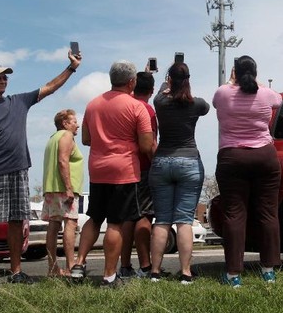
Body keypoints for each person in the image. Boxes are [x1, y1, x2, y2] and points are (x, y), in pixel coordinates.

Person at [0, 50, 82, 289]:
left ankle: (16, 272)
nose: (3, 80)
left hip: (19, 172)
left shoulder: (18, 101)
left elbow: (49, 87)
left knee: (17, 221)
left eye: (5, 77)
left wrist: (72, 68)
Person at [69, 60, 154, 288]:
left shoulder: (93, 104)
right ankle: (109, 276)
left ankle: (78, 263)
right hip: (124, 170)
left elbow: (86, 139)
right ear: (131, 82)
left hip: (97, 168)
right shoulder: (136, 107)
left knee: (95, 217)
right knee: (115, 223)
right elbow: (147, 145)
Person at [213, 55, 282, 288]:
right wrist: (257, 82)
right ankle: (268, 271)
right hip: (265, 156)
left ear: (234, 72)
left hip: (232, 157)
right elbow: (279, 100)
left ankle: (233, 275)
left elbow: (217, 100)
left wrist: (234, 81)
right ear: (255, 72)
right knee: (268, 213)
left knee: (234, 214)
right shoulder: (265, 94)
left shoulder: (222, 93)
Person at [148, 62, 210, 285]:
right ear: (188, 81)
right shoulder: (195, 104)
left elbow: (160, 92)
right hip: (189, 162)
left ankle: (155, 272)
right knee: (184, 221)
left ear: (170, 80)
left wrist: (165, 83)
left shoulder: (160, 102)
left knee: (162, 220)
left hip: (162, 161)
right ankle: (185, 273)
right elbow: (207, 107)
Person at [119, 70, 158, 279]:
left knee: (127, 217)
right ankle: (145, 265)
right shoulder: (147, 110)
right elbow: (150, 144)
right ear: (152, 91)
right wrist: (157, 164)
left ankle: (125, 266)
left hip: (124, 167)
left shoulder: (126, 105)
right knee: (145, 215)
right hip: (143, 167)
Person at [41, 109, 84, 277]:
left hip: (51, 188)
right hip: (64, 189)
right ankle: (70, 266)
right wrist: (68, 188)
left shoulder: (53, 138)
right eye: (74, 122)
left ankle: (52, 268)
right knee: (70, 224)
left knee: (53, 225)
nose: (77, 125)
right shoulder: (66, 136)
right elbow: (63, 160)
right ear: (65, 124)